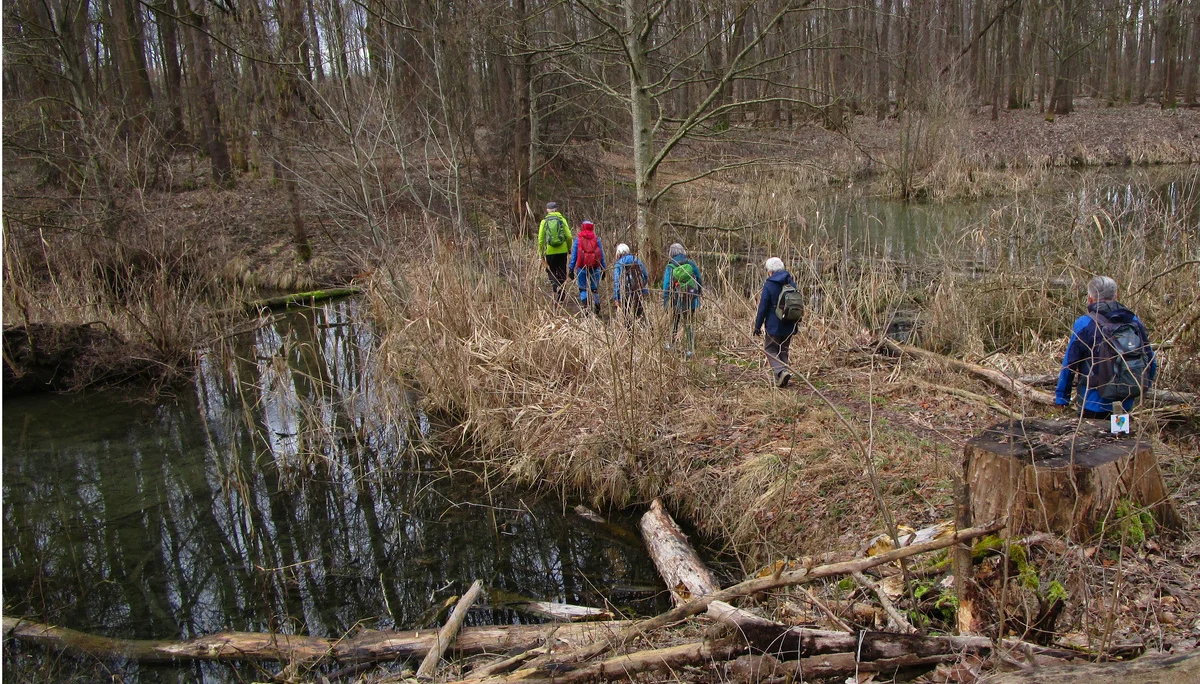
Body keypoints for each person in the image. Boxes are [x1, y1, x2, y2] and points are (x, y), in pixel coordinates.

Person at [1055, 275, 1157, 420]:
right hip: (1125, 401)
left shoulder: (1084, 323)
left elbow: (1069, 365)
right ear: (1116, 295)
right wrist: (1140, 387)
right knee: (1119, 441)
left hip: (1092, 403)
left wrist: (1062, 398)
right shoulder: (1133, 321)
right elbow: (1151, 360)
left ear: (1090, 298)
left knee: (1090, 441)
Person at [753, 257, 802, 387]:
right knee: (784, 350)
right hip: (790, 323)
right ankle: (783, 376)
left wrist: (757, 326)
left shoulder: (769, 284)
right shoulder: (791, 282)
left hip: (774, 325)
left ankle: (781, 372)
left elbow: (763, 307)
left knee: (770, 349)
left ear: (770, 271)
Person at [662, 243, 702, 354]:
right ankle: (690, 349)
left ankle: (671, 345)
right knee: (688, 323)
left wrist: (666, 303)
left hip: (676, 301)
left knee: (674, 323)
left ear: (671, 253)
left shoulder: (670, 266)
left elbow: (666, 286)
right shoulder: (691, 263)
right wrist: (698, 296)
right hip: (692, 300)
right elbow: (699, 280)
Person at [568, 220, 607, 315]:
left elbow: (574, 255)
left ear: (582, 227)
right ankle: (597, 305)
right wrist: (603, 268)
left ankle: (585, 307)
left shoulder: (579, 239)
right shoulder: (596, 239)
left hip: (582, 267)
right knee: (594, 289)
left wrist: (571, 268)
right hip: (595, 267)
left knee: (582, 289)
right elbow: (601, 254)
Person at [537, 202, 573, 300]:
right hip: (563, 251)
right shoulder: (562, 220)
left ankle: (555, 288)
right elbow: (569, 236)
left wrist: (541, 253)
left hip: (550, 251)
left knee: (551, 271)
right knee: (562, 272)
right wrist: (569, 248)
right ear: (556, 209)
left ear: (547, 210)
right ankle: (561, 293)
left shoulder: (544, 222)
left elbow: (540, 239)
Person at [612, 243, 649, 323]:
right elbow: (645, 276)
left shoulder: (619, 264)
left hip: (626, 293)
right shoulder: (636, 260)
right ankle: (645, 328)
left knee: (626, 315)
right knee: (640, 313)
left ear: (619, 254)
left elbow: (617, 282)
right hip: (638, 291)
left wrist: (617, 298)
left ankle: (628, 330)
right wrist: (643, 290)